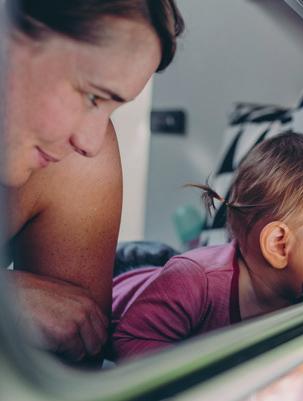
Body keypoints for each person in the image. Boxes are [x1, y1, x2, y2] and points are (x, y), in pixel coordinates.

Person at [2, 0, 184, 362]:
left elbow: (76, 355)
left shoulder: (75, 161)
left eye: (112, 107)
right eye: (91, 96)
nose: (88, 142)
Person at [110, 132, 303, 361]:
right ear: (279, 245)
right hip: (124, 277)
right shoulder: (193, 280)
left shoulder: (302, 291)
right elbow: (130, 340)